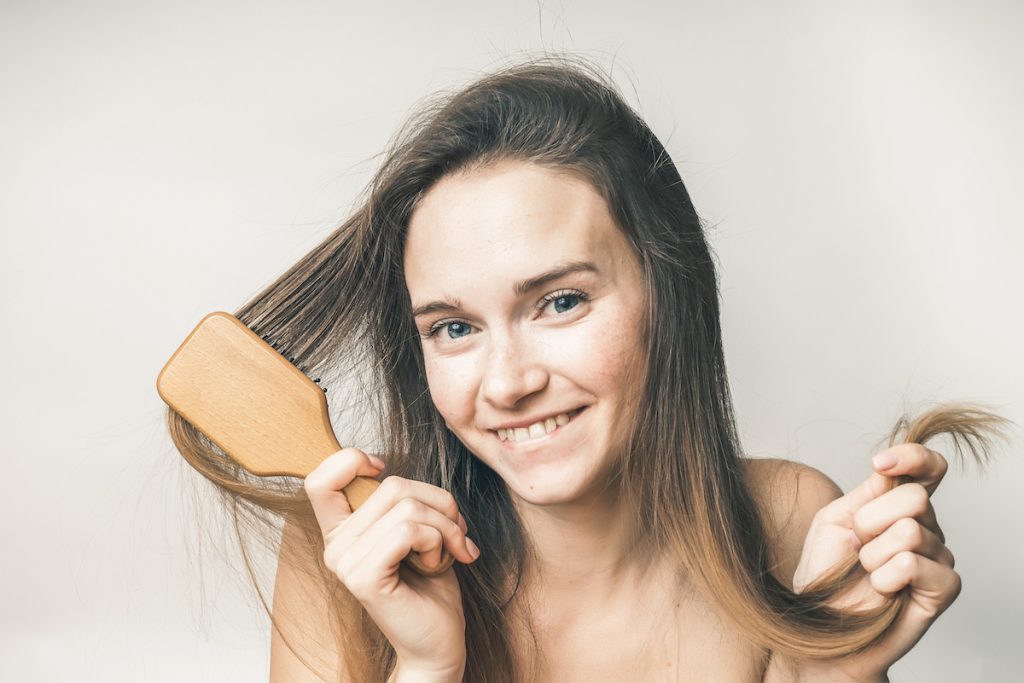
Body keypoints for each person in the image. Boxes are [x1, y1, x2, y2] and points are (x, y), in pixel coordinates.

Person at [166, 55, 1007, 682]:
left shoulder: (792, 527)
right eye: (454, 326)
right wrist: (423, 667)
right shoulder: (342, 559)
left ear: (666, 293)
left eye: (559, 302)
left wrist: (822, 678)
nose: (505, 383)